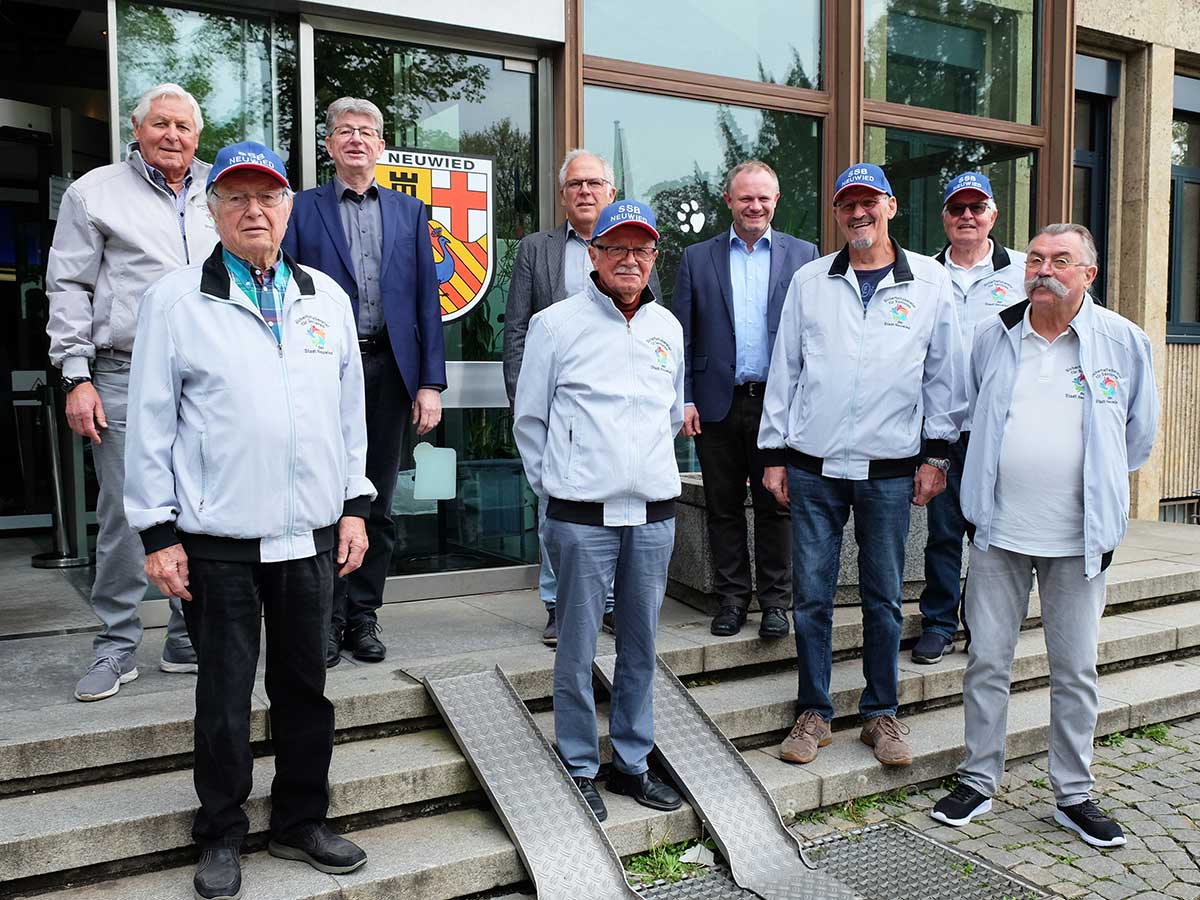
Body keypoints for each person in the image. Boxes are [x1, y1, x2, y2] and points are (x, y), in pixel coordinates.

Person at [124, 141, 374, 900]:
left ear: (288, 208)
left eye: (267, 197)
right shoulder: (175, 300)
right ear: (213, 209)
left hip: (310, 537)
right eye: (236, 197)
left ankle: (300, 821)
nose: (253, 210)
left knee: (306, 688)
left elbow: (349, 415)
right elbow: (150, 423)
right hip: (218, 541)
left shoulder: (324, 297)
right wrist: (157, 532)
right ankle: (221, 833)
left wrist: (355, 506)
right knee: (224, 698)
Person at [931, 224, 1159, 849]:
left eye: (1060, 260)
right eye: (1034, 258)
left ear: (1089, 273)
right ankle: (978, 778)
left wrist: (1101, 490)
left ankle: (1074, 794)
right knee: (986, 662)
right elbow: (970, 415)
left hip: (1079, 539)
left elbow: (1136, 437)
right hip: (999, 531)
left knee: (1075, 669)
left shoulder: (1123, 342)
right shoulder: (995, 336)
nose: (1043, 270)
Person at [758, 164, 966, 769]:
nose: (858, 214)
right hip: (813, 465)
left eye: (868, 203)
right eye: (847, 204)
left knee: (881, 596)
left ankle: (881, 714)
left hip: (892, 468)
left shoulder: (929, 282)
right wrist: (773, 454)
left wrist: (936, 454)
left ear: (891, 207)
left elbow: (944, 377)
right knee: (812, 596)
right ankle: (814, 712)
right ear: (837, 213)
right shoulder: (810, 281)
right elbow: (786, 371)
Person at [513, 199, 684, 823]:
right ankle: (580, 765)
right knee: (577, 649)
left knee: (640, 646)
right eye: (617, 248)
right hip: (581, 516)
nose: (629, 260)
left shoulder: (668, 327)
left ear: (653, 258)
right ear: (594, 255)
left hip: (655, 515)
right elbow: (530, 420)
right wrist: (559, 487)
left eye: (641, 250)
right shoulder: (555, 325)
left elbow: (671, 417)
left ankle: (632, 763)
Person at [46, 82, 214, 702]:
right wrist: (76, 375)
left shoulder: (214, 192)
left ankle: (183, 634)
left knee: (195, 504)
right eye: (161, 124)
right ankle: (115, 645)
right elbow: (67, 287)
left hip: (203, 375)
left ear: (198, 137)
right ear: (136, 129)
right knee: (124, 510)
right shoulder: (94, 192)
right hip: (121, 370)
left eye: (184, 127)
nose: (173, 136)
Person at [283, 97, 446, 667]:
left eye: (367, 131)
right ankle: (325, 619)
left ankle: (363, 616)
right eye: (345, 131)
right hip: (321, 370)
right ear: (329, 145)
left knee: (376, 503)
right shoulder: (299, 210)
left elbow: (428, 299)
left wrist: (431, 383)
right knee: (326, 499)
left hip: (390, 373)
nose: (356, 139)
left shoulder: (410, 212)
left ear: (381, 145)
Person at [503, 149, 662, 646]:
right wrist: (523, 398)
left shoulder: (635, 249)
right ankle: (558, 602)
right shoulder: (536, 247)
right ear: (563, 195)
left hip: (616, 406)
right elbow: (517, 329)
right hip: (557, 399)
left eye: (594, 183)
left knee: (612, 506)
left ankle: (610, 602)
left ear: (610, 192)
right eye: (575, 184)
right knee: (555, 504)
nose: (585, 191)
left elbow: (650, 323)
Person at [673, 160, 818, 639]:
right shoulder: (697, 258)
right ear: (728, 200)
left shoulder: (805, 255)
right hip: (717, 404)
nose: (754, 206)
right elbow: (683, 337)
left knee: (778, 505)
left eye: (763, 197)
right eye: (745, 198)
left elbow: (815, 338)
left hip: (778, 406)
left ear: (776, 201)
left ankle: (776, 602)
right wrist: (685, 398)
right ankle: (732, 598)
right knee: (723, 506)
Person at [914, 172, 1028, 665]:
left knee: (992, 533)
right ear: (944, 217)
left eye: (976, 208)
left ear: (993, 216)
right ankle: (939, 622)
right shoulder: (922, 273)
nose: (967, 217)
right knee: (943, 532)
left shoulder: (1023, 271)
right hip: (941, 429)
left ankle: (984, 625)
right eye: (957, 208)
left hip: (999, 430)